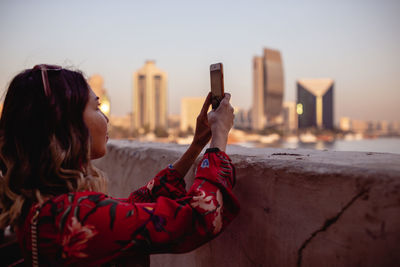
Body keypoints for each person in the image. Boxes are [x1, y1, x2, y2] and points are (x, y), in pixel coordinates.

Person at [0, 65, 240, 266]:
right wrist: (219, 135)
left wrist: (197, 145)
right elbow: (200, 219)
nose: (105, 118)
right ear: (67, 126)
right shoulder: (75, 215)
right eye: (96, 107)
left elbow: (136, 206)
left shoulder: (48, 207)